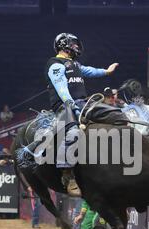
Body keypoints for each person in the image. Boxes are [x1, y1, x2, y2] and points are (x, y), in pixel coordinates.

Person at [46, 33, 119, 197]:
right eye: (73, 44)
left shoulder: (75, 64)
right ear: (64, 44)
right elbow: (61, 87)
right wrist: (70, 104)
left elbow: (90, 71)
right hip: (64, 106)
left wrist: (106, 71)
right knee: (73, 132)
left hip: (83, 103)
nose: (76, 47)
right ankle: (68, 174)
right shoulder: (55, 64)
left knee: (116, 114)